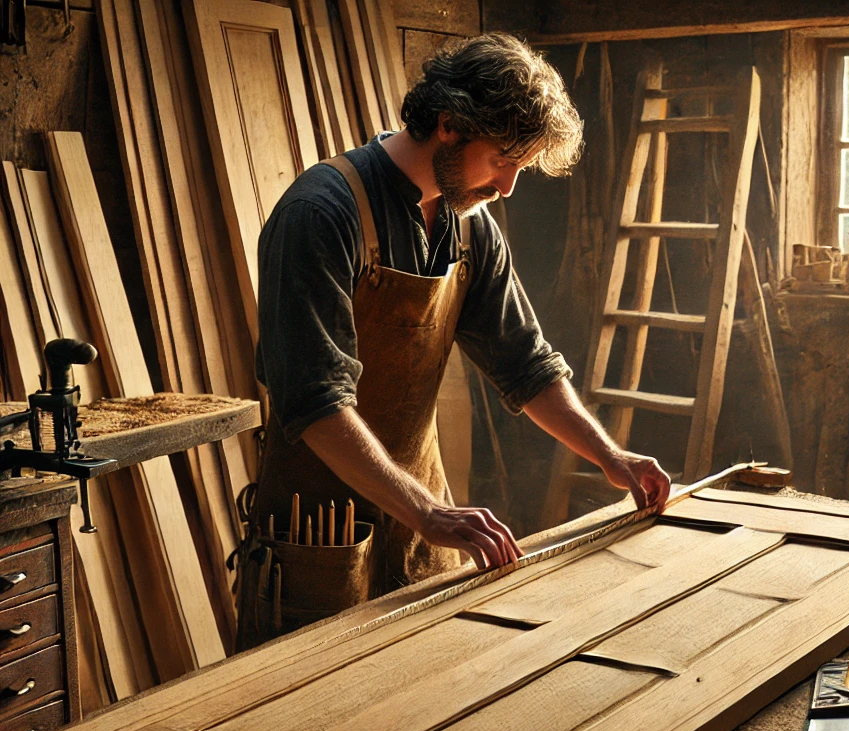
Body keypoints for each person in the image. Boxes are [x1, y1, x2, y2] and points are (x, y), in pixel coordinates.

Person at [236, 32, 670, 650]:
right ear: (448, 125)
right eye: (501, 160)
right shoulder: (323, 213)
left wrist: (609, 457)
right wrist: (428, 511)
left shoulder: (471, 230)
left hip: (422, 531)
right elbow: (315, 404)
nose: (508, 187)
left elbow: (527, 366)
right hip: (318, 537)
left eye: (521, 168)